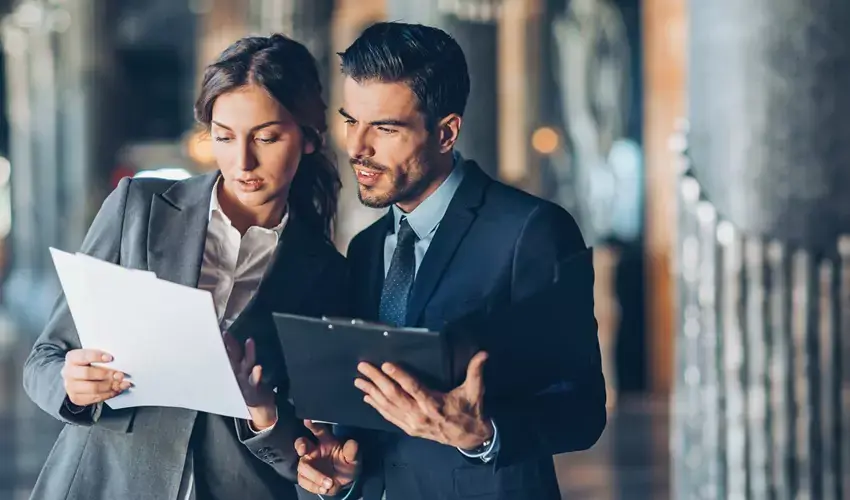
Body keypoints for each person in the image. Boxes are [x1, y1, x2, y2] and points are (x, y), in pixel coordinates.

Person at [23, 34, 351, 500]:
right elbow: (44, 359)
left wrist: (263, 411)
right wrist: (71, 386)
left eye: (267, 136)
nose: (243, 161)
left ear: (310, 136)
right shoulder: (138, 209)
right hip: (106, 483)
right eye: (224, 137)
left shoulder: (327, 274)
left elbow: (306, 450)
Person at [295, 22, 607, 500]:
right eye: (351, 120)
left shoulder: (532, 231)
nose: (357, 147)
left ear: (445, 133)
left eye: (385, 128)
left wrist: (483, 437)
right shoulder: (364, 249)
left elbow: (582, 411)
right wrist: (340, 476)